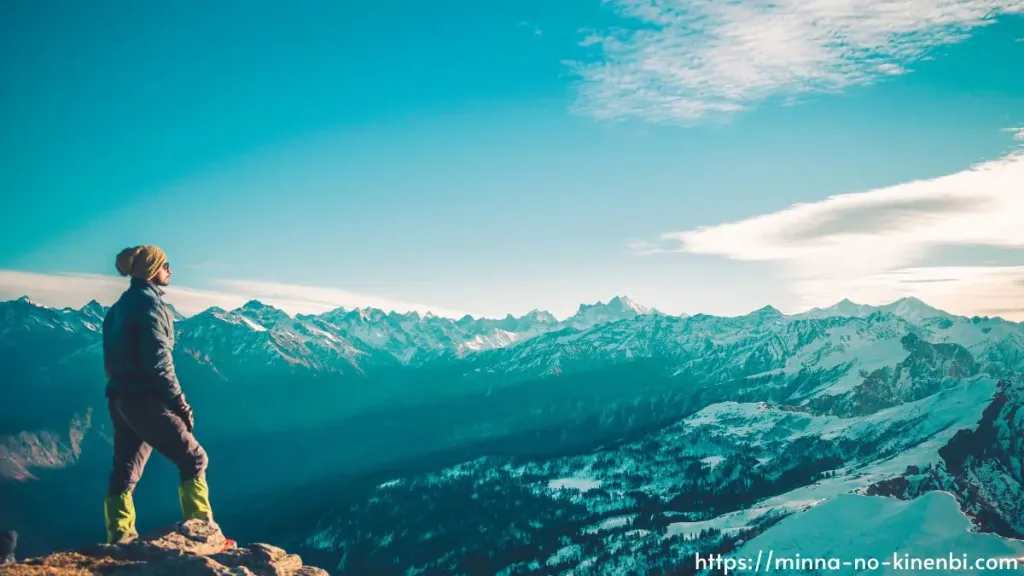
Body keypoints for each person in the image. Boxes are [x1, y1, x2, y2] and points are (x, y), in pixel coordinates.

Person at [102, 245, 231, 547]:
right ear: (151, 270)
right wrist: (179, 403)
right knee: (195, 459)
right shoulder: (152, 308)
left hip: (120, 398)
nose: (170, 270)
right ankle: (202, 532)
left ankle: (119, 537)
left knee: (124, 471)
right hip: (147, 399)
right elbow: (159, 363)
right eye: (165, 265)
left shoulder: (118, 308)